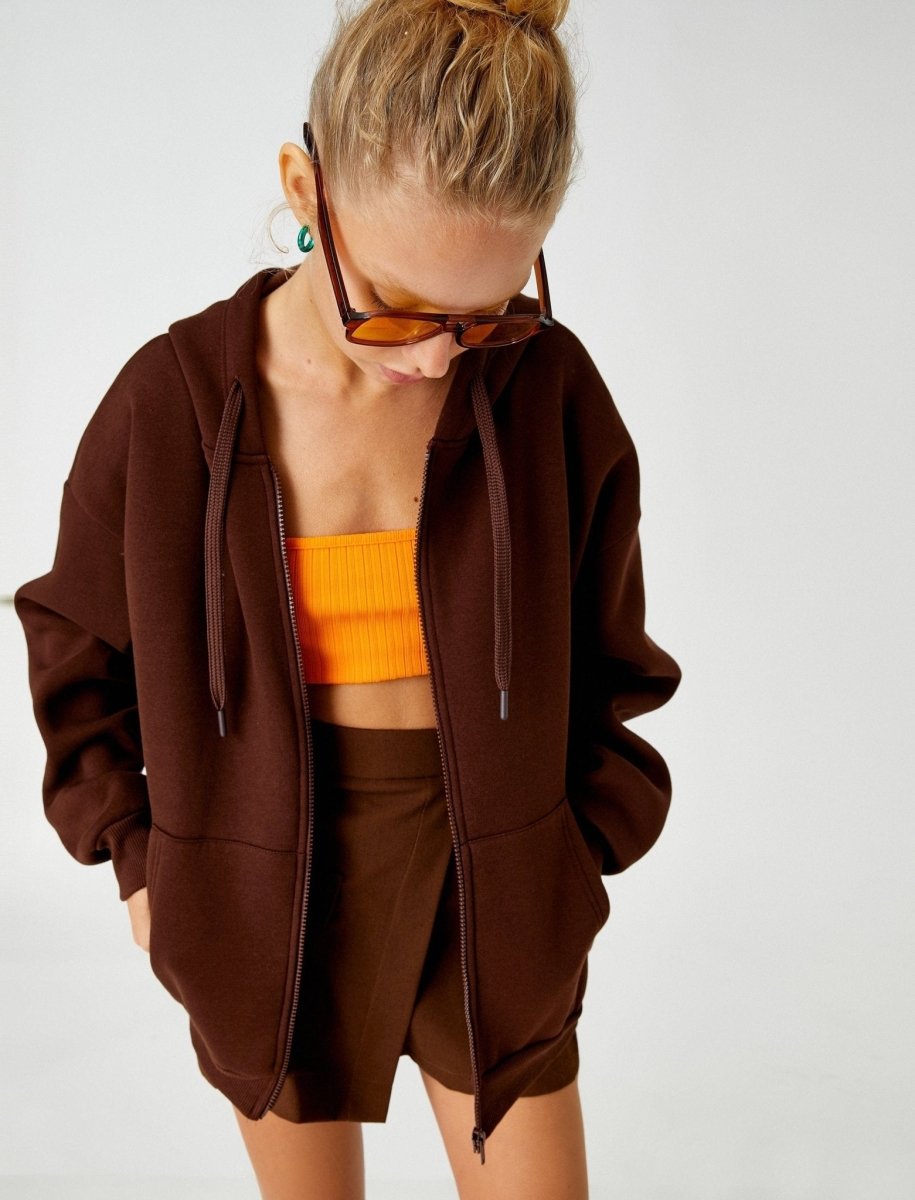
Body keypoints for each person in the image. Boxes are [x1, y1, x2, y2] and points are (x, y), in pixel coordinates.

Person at [13, 0, 682, 1196]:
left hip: (496, 893)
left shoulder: (548, 392)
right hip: (263, 895)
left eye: (486, 314)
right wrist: (142, 863)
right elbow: (74, 637)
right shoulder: (174, 407)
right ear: (304, 190)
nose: (437, 357)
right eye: (400, 306)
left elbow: (615, 654)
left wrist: (572, 855)